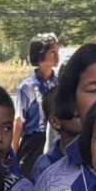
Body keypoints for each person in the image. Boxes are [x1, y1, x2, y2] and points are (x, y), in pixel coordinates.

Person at [16, 34, 60, 172]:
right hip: (33, 144)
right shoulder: (27, 87)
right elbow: (19, 121)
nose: (56, 56)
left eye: (57, 52)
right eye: (52, 52)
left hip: (56, 141)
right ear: (40, 54)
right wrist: (12, 152)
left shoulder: (59, 84)